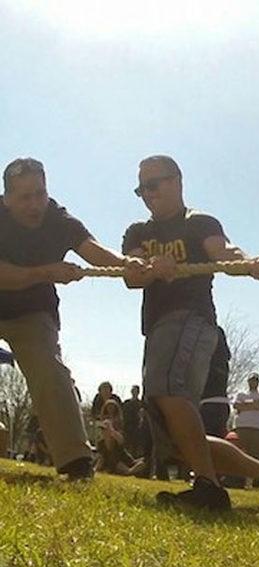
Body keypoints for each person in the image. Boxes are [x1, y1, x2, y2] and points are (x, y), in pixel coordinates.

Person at [121, 154, 259, 511]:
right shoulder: (138, 231)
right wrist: (150, 267)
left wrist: (249, 263)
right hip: (156, 328)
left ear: (177, 181)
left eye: (153, 185)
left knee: (168, 393)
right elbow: (131, 275)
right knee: (175, 436)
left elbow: (224, 252)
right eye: (141, 189)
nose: (147, 194)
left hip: (191, 319)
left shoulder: (198, 223)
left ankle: (208, 490)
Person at [0, 158, 135, 480]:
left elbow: (94, 250)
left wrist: (128, 263)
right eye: (25, 197)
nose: (35, 204)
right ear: (6, 199)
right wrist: (46, 272)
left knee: (51, 371)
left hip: (32, 312)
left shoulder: (58, 218)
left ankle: (76, 462)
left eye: (40, 194)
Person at [232, 373, 259, 461]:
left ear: (258, 382)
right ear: (248, 381)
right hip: (241, 428)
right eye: (251, 380)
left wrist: (244, 404)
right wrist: (253, 404)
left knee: (257, 457)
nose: (253, 382)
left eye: (255, 380)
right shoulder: (240, 394)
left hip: (258, 429)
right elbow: (236, 405)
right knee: (240, 456)